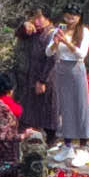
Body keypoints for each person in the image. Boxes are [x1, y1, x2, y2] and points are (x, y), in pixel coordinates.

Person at [49, 14, 89, 168]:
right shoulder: (59, 30)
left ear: (79, 17)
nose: (70, 20)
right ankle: (67, 145)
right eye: (67, 17)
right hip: (61, 69)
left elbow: (82, 54)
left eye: (73, 17)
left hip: (76, 68)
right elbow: (49, 52)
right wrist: (55, 43)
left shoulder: (84, 32)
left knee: (80, 107)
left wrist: (66, 42)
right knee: (65, 108)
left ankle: (83, 148)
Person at [11, 12, 56, 141]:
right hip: (30, 77)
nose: (36, 21)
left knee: (48, 111)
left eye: (39, 18)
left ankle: (51, 141)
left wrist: (43, 80)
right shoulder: (35, 32)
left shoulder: (52, 33)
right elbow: (19, 33)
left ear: (47, 18)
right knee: (30, 111)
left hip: (47, 77)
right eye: (34, 18)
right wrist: (24, 25)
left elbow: (52, 59)